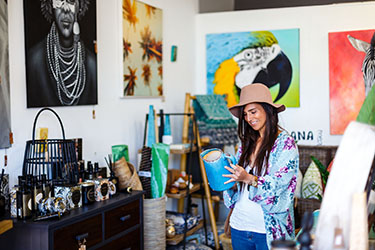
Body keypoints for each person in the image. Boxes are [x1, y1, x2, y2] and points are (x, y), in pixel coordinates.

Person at [223, 83, 299, 250]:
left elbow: (280, 184)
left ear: (267, 110)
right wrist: (230, 179)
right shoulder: (246, 143)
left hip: (268, 230)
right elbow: (238, 184)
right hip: (240, 226)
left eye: (253, 111)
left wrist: (248, 178)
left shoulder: (285, 143)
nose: (249, 118)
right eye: (245, 114)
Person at [26, 0, 97, 107]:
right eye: (59, 1)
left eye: (71, 1)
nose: (66, 9)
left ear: (79, 8)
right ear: (51, 7)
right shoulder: (34, 61)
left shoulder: (92, 65)